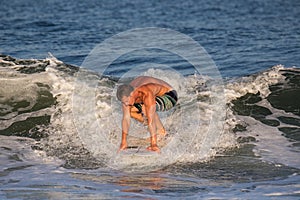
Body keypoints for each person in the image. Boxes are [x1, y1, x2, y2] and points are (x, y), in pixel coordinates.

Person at [116, 76, 178, 152]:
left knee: (146, 108)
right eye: (123, 102)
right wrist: (123, 142)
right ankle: (157, 130)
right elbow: (126, 118)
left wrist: (153, 145)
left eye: (127, 101)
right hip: (149, 94)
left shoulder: (145, 92)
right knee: (130, 110)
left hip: (169, 95)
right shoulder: (125, 94)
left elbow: (151, 118)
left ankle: (162, 134)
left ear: (132, 94)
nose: (126, 103)